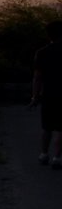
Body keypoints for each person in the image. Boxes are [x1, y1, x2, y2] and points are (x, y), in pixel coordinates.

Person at [32, 19, 62, 168]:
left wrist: (35, 96)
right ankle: (57, 157)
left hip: (48, 93)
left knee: (47, 127)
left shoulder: (42, 52)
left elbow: (38, 77)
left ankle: (44, 154)